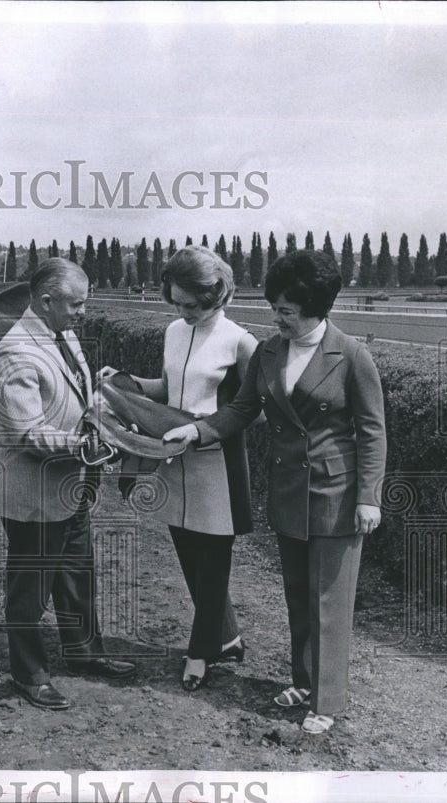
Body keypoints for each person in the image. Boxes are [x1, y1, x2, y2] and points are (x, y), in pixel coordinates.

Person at [164, 249, 386, 734]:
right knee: (297, 596)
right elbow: (241, 411)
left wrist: (369, 495)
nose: (277, 318)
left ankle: (328, 701)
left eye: (286, 311)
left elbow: (372, 431)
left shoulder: (351, 355)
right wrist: (196, 432)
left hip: (338, 496)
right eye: (275, 308)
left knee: (328, 601)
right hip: (290, 494)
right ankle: (305, 682)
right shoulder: (268, 351)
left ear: (316, 308)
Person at [98, 246, 255, 692]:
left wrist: (207, 429)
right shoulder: (173, 330)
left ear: (216, 294)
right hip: (172, 458)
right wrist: (124, 382)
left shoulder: (241, 342)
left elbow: (255, 410)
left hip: (215, 465)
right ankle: (227, 638)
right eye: (177, 303)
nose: (183, 312)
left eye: (191, 304)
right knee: (190, 559)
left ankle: (201, 653)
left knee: (213, 564)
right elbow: (170, 387)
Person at [0, 257, 136, 711]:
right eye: (77, 304)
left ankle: (84, 650)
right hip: (34, 493)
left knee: (76, 575)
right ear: (46, 301)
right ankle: (28, 674)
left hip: (72, 487)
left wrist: (105, 413)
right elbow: (25, 433)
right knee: (29, 590)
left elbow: (78, 393)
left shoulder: (62, 333)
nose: (83, 312)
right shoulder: (14, 352)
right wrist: (84, 446)